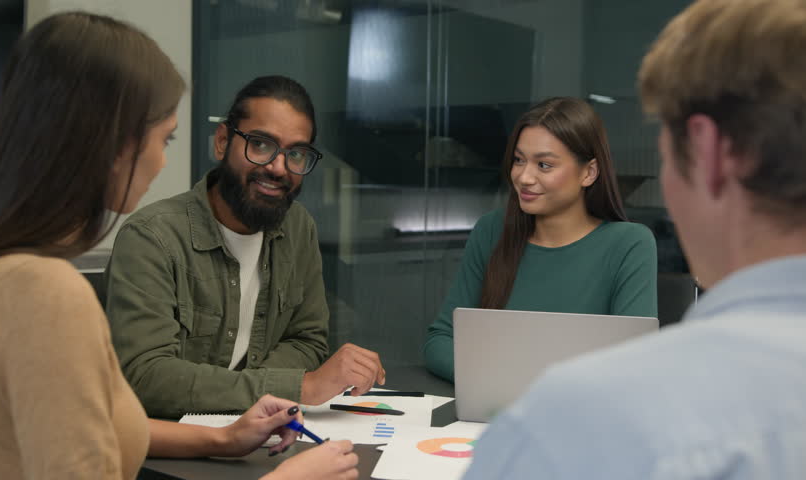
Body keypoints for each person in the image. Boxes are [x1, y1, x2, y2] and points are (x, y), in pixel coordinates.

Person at [0, 12, 357, 480]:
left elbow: (103, 423)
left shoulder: (1, 268)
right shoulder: (46, 291)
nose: (163, 159)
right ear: (112, 143)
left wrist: (224, 438)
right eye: (165, 138)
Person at [464, 0, 806, 477]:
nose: (526, 176)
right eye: (521, 161)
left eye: (666, 153)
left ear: (708, 156)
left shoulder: (574, 425)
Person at [105, 75, 385, 418]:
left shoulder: (298, 228)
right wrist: (297, 387)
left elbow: (308, 340)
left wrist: (248, 392)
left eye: (296, 153)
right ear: (222, 141)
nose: (278, 167)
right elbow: (145, 377)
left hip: (263, 434)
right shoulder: (152, 237)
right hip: (171, 450)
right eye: (261, 144)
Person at [424, 97, 657, 382]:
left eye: (544, 165)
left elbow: (633, 362)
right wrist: (500, 381)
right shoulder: (491, 231)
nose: (524, 177)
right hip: (493, 413)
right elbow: (440, 340)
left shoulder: (629, 244)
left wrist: (527, 386)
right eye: (519, 160)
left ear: (589, 172)